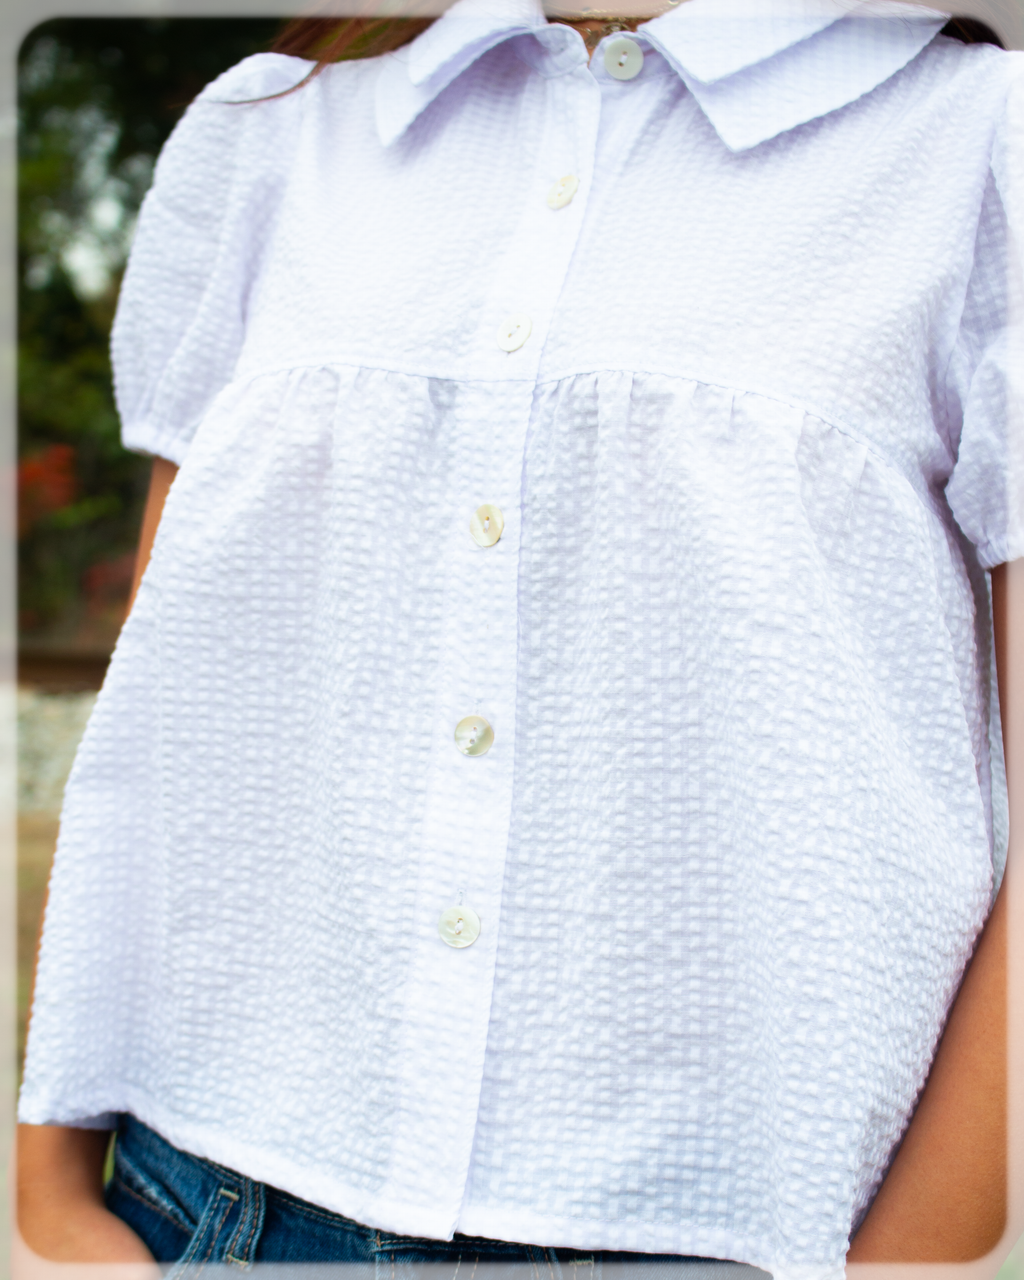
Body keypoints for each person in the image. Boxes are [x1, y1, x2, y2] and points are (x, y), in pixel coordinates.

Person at [14, 0, 1019, 1276]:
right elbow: (163, 706)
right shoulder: (271, 134)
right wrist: (50, 1192)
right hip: (198, 1208)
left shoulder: (976, 148)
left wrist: (917, 1255)